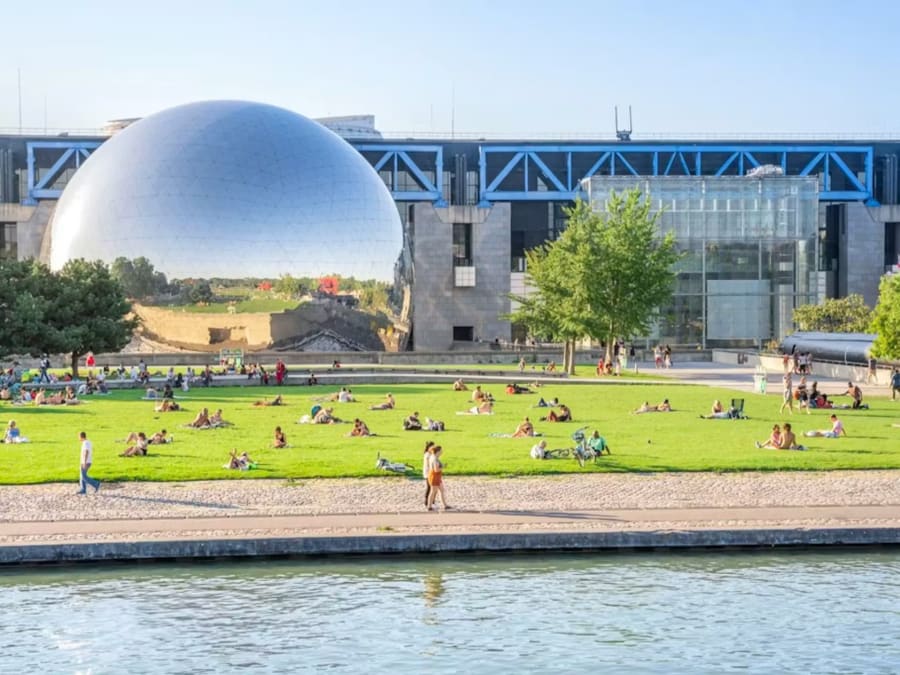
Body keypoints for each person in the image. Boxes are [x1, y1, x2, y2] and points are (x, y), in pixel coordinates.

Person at [426, 446, 452, 511]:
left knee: (442, 490)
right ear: (438, 451)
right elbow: (436, 470)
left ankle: (445, 505)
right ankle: (429, 506)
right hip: (434, 476)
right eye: (441, 451)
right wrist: (443, 467)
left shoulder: (434, 457)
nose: (442, 452)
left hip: (437, 477)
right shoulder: (434, 458)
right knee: (433, 491)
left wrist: (442, 465)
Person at [422, 441, 436, 507]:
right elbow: (428, 464)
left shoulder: (430, 454)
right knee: (429, 487)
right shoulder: (427, 455)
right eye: (432, 446)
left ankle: (432, 501)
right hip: (428, 473)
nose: (433, 448)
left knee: (432, 487)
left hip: (430, 472)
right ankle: (427, 501)